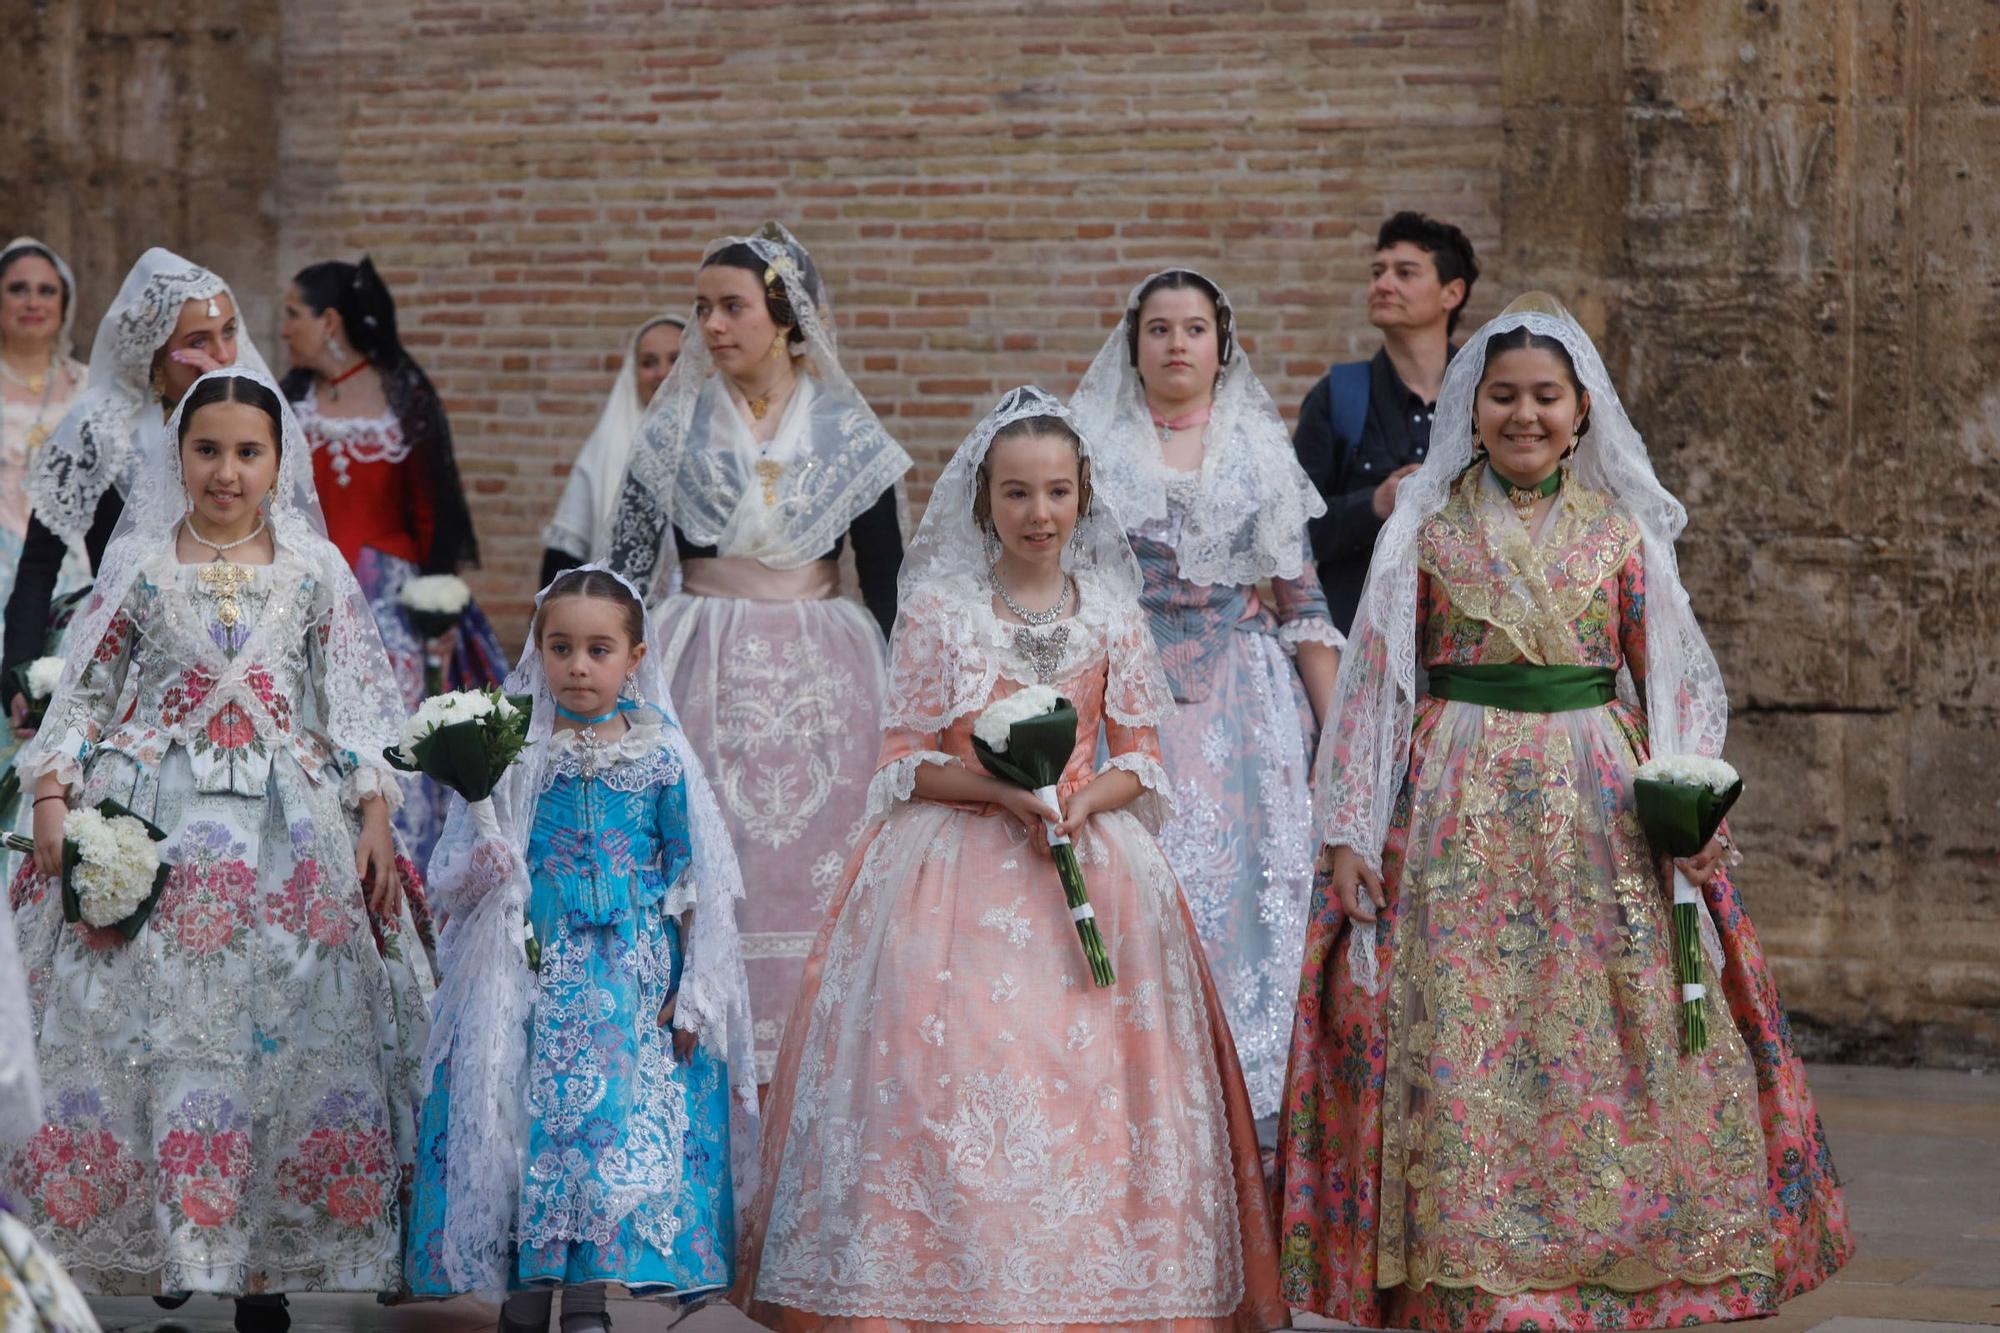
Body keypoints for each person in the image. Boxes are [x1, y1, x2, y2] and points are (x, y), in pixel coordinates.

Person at [1274, 296, 1854, 1329]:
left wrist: (1687, 798)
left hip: (1599, 804)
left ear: (1581, 411)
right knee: (1465, 1026)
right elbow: (1372, 683)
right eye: (1502, 396)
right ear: (1472, 405)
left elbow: (1670, 675)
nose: (1524, 415)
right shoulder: (1428, 527)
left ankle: (1640, 1253)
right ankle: (1464, 1267)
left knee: (1614, 1022)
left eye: (1545, 397)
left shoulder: (1620, 530)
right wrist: (1348, 829)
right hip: (1453, 803)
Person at [733, 386, 1286, 1333]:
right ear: (983, 501)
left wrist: (1079, 798)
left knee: (1098, 1092)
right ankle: (945, 1289)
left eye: (1059, 493)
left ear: (1083, 500)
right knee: (943, 1076)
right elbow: (905, 760)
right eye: (1019, 494)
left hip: (1093, 862)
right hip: (954, 873)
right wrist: (1002, 794)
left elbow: (1144, 757)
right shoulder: (943, 610)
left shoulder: (1113, 611)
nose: (1040, 514)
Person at [3, 367, 434, 1333]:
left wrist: (372, 810)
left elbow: (360, 702)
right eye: (207, 451)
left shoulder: (317, 570)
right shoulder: (144, 566)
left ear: (279, 461)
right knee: (143, 1025)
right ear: (178, 457)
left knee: (282, 1022)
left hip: (288, 834)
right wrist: (51, 793)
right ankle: (166, 1238)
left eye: (248, 452)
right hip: (153, 824)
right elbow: (84, 692)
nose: (227, 471)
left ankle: (263, 1268)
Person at [406, 565, 757, 1333]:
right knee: (528, 1127)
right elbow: (452, 874)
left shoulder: (661, 753)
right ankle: (526, 1291)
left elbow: (695, 874)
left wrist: (693, 984)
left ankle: (591, 1296)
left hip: (630, 979)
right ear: (538, 651)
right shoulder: (514, 753)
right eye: (560, 647)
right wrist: (489, 866)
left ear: (635, 658)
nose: (578, 665)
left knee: (606, 1133)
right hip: (533, 971)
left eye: (599, 649)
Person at [607, 223, 909, 1082]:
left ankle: (813, 1073)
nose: (709, 325)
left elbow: (887, 584)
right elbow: (624, 572)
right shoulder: (672, 430)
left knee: (819, 874)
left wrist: (925, 710)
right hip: (698, 662)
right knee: (706, 865)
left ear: (783, 314)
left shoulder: (851, 434)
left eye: (731, 306)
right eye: (701, 307)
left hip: (830, 682)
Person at [1069, 268, 1341, 1119]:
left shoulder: (1259, 453)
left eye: (1193, 328)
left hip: (1245, 711)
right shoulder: (1092, 453)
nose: (1176, 343)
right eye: (1159, 329)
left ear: (1222, 348)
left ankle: (1250, 1118)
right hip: (1131, 705)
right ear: (1133, 345)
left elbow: (1305, 607)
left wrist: (1338, 750)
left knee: (1250, 911)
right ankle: (1140, 1107)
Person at [278, 257, 508, 863]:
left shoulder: (404, 393)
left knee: (391, 736)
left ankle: (405, 879)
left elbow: (432, 505)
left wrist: (439, 601)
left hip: (388, 602)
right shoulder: (291, 395)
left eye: (292, 315)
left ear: (329, 321)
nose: (283, 330)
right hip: (301, 591)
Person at [4, 248, 262, 730]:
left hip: (240, 644)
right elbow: (40, 565)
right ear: (157, 346)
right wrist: (17, 676)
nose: (224, 355)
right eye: (199, 340)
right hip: (123, 656)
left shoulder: (259, 425)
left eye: (228, 332)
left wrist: (225, 417)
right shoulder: (100, 430)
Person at [1292, 211, 1477, 632]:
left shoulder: (1486, 397)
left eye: (1405, 273)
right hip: (1357, 636)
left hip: (1465, 645)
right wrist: (1374, 504)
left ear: (1452, 292)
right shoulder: (1337, 395)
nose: (1383, 284)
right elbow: (1291, 532)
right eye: (1378, 272)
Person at [541, 315, 687, 585]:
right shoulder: (606, 445)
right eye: (648, 363)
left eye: (675, 359)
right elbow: (566, 549)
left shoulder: (719, 440)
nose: (662, 373)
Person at [0, 239, 88, 654]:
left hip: (72, 559)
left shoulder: (90, 387)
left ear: (64, 302)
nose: (32, 301)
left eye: (46, 290)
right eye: (18, 289)